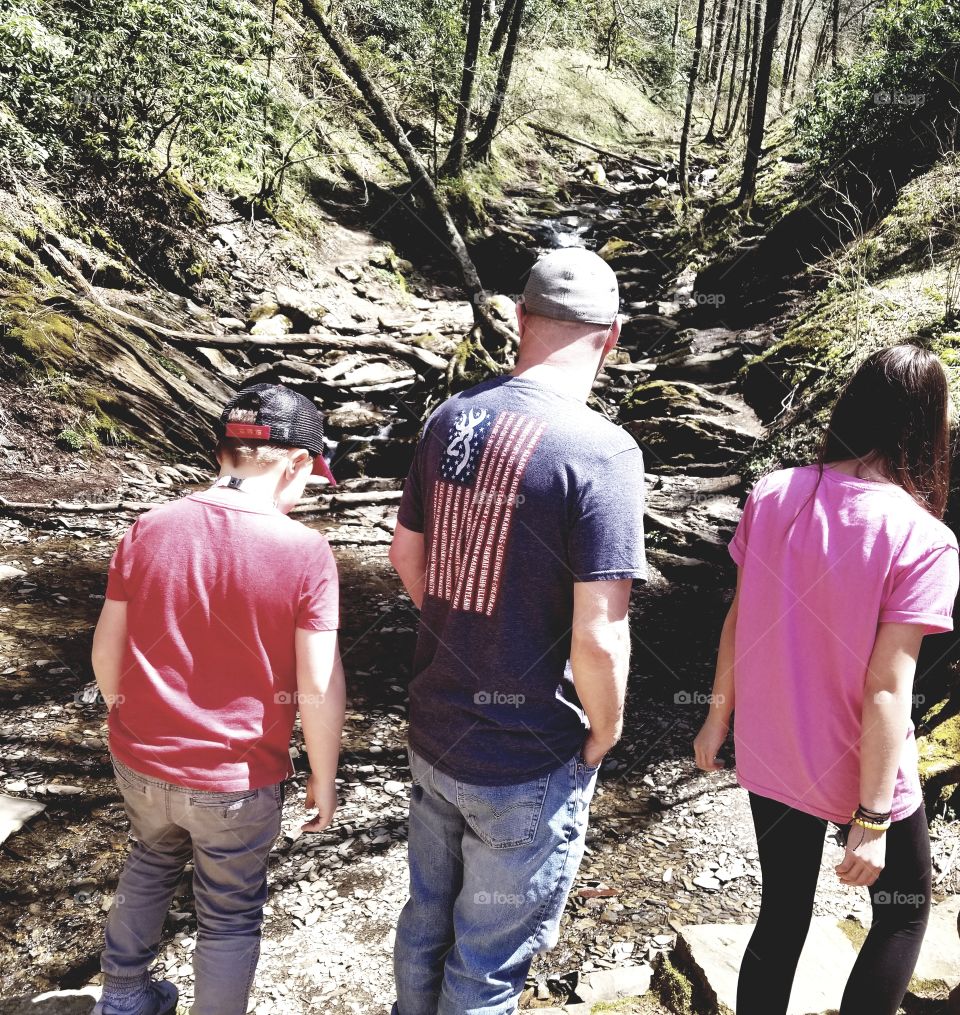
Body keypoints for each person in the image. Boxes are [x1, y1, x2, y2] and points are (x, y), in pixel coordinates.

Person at [388, 247, 647, 1015]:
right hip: (526, 754)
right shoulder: (603, 450)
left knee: (426, 921)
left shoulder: (451, 416)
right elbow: (598, 634)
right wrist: (607, 727)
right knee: (488, 963)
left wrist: (463, 633)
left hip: (435, 729)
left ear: (519, 319)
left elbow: (407, 554)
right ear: (612, 335)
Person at [693, 345, 959, 1015]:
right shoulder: (923, 538)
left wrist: (717, 716)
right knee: (901, 914)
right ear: (930, 426)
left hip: (774, 745)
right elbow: (887, 689)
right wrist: (870, 817)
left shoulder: (775, 491)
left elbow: (737, 618)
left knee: (780, 912)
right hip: (859, 759)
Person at [91, 384, 345, 1015]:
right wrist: (324, 774)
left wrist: (128, 717)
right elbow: (315, 684)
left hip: (141, 759)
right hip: (235, 779)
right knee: (229, 916)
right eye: (312, 475)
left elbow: (105, 653)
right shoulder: (305, 551)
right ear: (296, 462)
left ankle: (121, 999)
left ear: (223, 451)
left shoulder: (149, 528)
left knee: (150, 859)